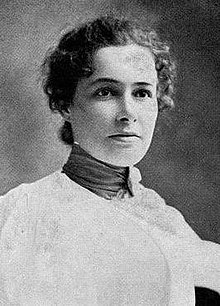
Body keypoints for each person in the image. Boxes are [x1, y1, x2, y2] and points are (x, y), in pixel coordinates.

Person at [0, 15, 220, 306]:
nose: (128, 112)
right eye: (105, 92)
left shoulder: (165, 217)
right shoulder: (22, 214)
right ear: (66, 104)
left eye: (142, 92)